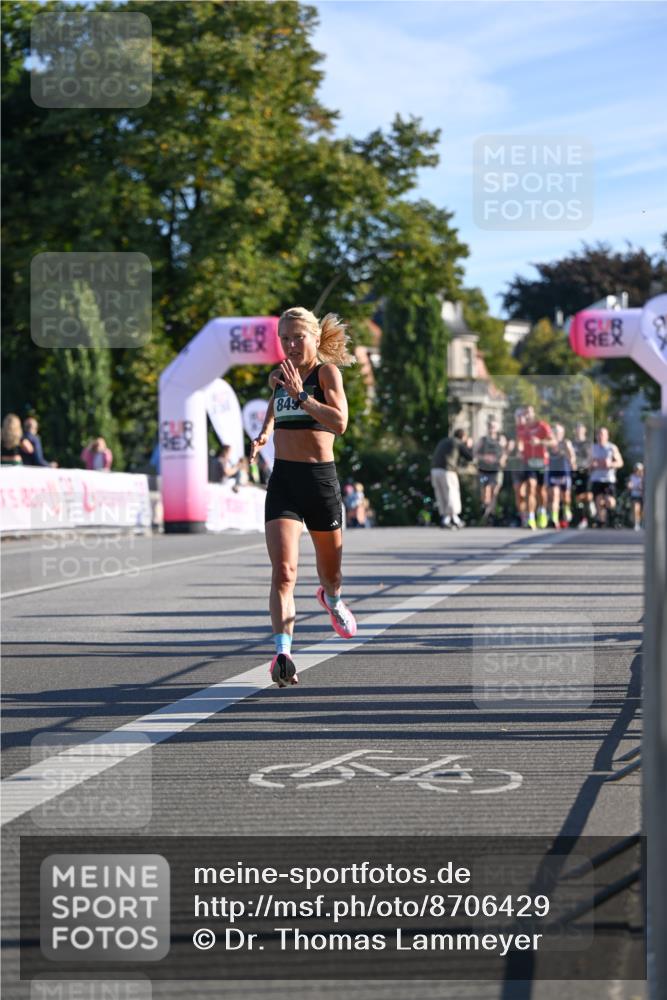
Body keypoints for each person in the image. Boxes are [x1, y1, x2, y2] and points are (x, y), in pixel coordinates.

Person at [250, 306, 357, 688]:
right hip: (285, 482)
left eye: (298, 337)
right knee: (284, 572)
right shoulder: (279, 375)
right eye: (285, 338)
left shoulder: (327, 373)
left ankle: (332, 598)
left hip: (320, 481)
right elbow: (273, 411)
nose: (291, 345)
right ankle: (283, 654)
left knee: (331, 573)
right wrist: (263, 434)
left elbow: (340, 423)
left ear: (314, 338)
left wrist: (302, 396)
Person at [515, 405, 555, 530]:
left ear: (533, 414)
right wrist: (519, 449)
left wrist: (540, 442)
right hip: (528, 462)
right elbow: (519, 442)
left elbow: (553, 442)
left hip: (542, 462)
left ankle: (542, 511)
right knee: (530, 487)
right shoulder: (521, 428)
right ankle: (531, 517)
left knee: (541, 490)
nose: (527, 415)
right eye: (525, 413)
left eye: (529, 413)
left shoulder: (542, 426)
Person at [430, 428, 473, 529]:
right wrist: (469, 446)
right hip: (447, 471)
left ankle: (451, 519)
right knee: (452, 494)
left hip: (435, 470)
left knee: (441, 495)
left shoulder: (444, 441)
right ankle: (449, 519)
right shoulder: (458, 442)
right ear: (463, 437)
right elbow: (470, 457)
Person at [589, 427, 623, 527]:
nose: (600, 436)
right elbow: (586, 464)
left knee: (610, 501)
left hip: (608, 479)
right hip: (596, 478)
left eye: (602, 434)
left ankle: (613, 515)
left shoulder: (612, 448)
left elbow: (620, 462)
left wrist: (611, 464)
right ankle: (602, 522)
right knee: (598, 501)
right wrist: (592, 465)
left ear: (607, 436)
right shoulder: (592, 448)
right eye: (598, 434)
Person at [474, 418, 506, 524]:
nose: (492, 428)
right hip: (484, 469)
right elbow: (475, 454)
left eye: (494, 426)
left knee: (494, 491)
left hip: (496, 470)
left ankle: (490, 513)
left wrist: (503, 459)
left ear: (497, 428)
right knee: (485, 491)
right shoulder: (483, 440)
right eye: (490, 426)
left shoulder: (501, 439)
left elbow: (505, 453)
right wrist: (484, 457)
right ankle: (487, 510)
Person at [546, 423, 576, 529]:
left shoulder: (566, 443)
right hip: (553, 472)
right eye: (555, 432)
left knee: (566, 497)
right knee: (554, 495)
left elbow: (571, 456)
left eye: (558, 432)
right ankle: (554, 519)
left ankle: (567, 509)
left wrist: (572, 460)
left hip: (564, 472)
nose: (556, 434)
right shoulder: (549, 444)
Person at [572, 421, 594, 529]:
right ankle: (582, 519)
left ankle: (591, 508)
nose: (579, 431)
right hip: (576, 472)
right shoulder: (572, 444)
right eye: (577, 429)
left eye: (581, 428)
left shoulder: (588, 443)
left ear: (584, 430)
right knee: (578, 497)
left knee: (588, 495)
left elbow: (590, 457)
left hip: (586, 472)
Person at [628, 462, 644, 531]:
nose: (637, 471)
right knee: (636, 509)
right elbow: (630, 485)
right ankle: (636, 523)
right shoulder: (632, 476)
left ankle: (642, 523)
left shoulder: (644, 478)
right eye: (636, 469)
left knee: (642, 511)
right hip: (635, 496)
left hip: (642, 496)